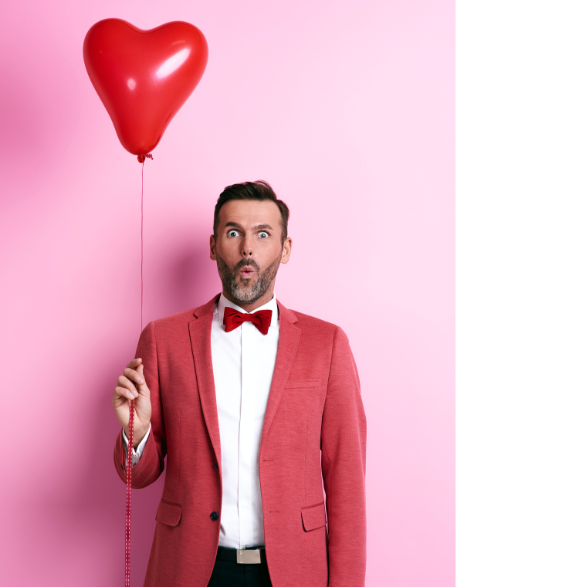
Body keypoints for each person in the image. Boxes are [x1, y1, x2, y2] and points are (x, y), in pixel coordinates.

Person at [112, 181, 367, 587]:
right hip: (190, 568)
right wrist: (136, 434)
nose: (247, 247)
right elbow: (137, 476)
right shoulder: (163, 338)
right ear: (214, 245)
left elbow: (347, 480)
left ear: (285, 249)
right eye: (234, 232)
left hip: (293, 571)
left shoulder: (328, 344)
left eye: (263, 234)